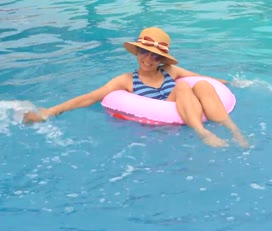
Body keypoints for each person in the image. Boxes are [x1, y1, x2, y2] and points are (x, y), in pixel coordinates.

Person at [23, 27, 248, 148]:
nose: (148, 59)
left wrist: (233, 83)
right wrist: (49, 112)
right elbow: (90, 97)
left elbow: (204, 79)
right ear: (136, 52)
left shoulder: (172, 72)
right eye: (143, 52)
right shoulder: (126, 81)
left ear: (162, 59)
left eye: (155, 56)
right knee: (182, 89)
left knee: (201, 84)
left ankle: (235, 131)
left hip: (184, 109)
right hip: (159, 127)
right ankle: (203, 133)